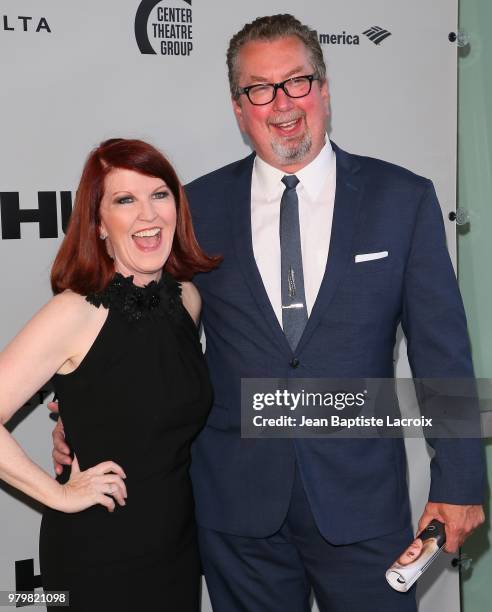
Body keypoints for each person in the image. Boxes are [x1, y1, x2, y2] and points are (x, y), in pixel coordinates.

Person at [52, 14, 485, 612]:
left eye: (297, 82)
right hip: (236, 509)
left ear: (325, 88)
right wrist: (82, 418)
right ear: (238, 106)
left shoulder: (401, 199)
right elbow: (146, 333)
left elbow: (443, 348)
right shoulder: (194, 208)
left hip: (360, 505)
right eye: (259, 88)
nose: (281, 104)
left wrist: (461, 483)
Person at [0, 138, 218, 611]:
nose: (148, 215)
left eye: (159, 195)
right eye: (125, 200)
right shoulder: (73, 313)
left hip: (177, 549)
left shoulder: (187, 302)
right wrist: (56, 495)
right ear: (98, 223)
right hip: (96, 552)